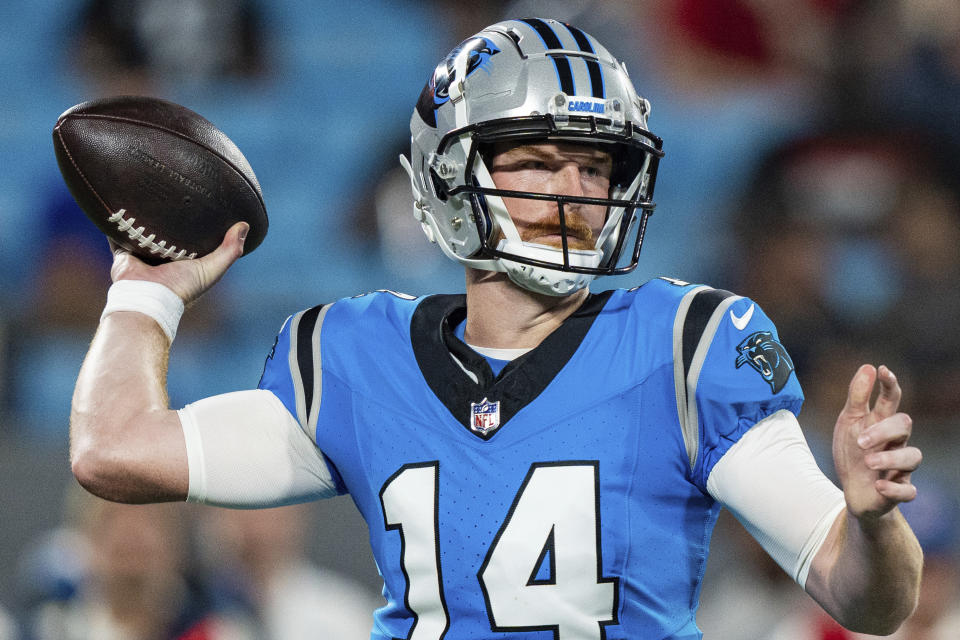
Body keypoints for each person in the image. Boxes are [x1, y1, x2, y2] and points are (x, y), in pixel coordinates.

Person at [69, 18, 923, 639]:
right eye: (539, 161)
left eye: (595, 166)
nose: (577, 192)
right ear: (450, 174)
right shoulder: (354, 357)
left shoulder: (687, 345)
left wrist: (876, 523)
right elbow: (113, 449)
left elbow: (869, 600)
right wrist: (146, 290)